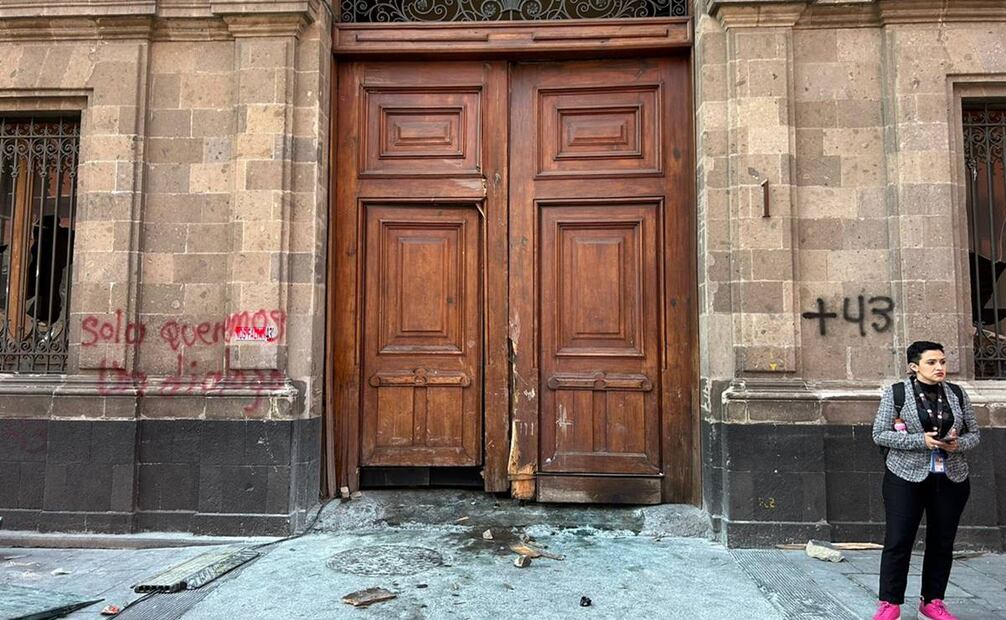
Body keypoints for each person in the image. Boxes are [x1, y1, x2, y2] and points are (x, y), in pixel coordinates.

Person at [871, 341, 980, 620]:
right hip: (905, 476)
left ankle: (932, 600)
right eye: (931, 362)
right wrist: (920, 440)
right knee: (898, 539)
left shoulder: (956, 393)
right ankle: (890, 603)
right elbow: (880, 434)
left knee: (942, 541)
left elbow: (974, 434)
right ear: (914, 366)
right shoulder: (896, 393)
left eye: (942, 362)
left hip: (951, 476)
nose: (939, 367)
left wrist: (958, 445)